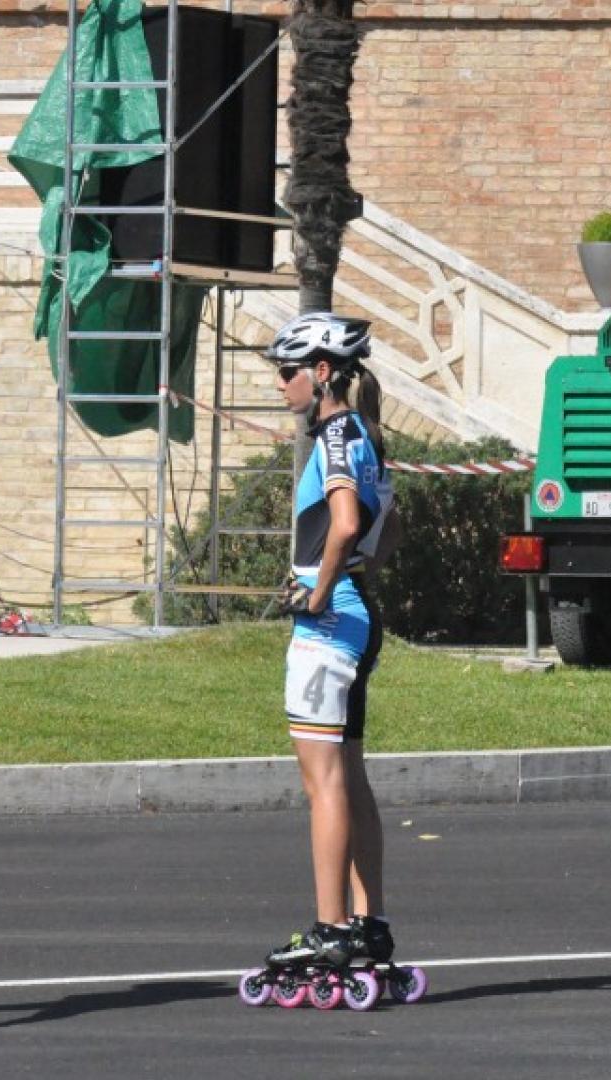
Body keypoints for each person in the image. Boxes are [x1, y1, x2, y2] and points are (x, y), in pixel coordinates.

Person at [256, 311, 400, 985]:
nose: (279, 384)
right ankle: (367, 920)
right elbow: (386, 531)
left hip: (330, 624)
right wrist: (347, 576)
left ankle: (331, 928)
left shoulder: (337, 435)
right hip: (359, 612)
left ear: (320, 373)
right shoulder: (366, 434)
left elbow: (343, 523)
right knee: (350, 777)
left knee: (324, 785)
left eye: (286, 372)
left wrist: (317, 591)